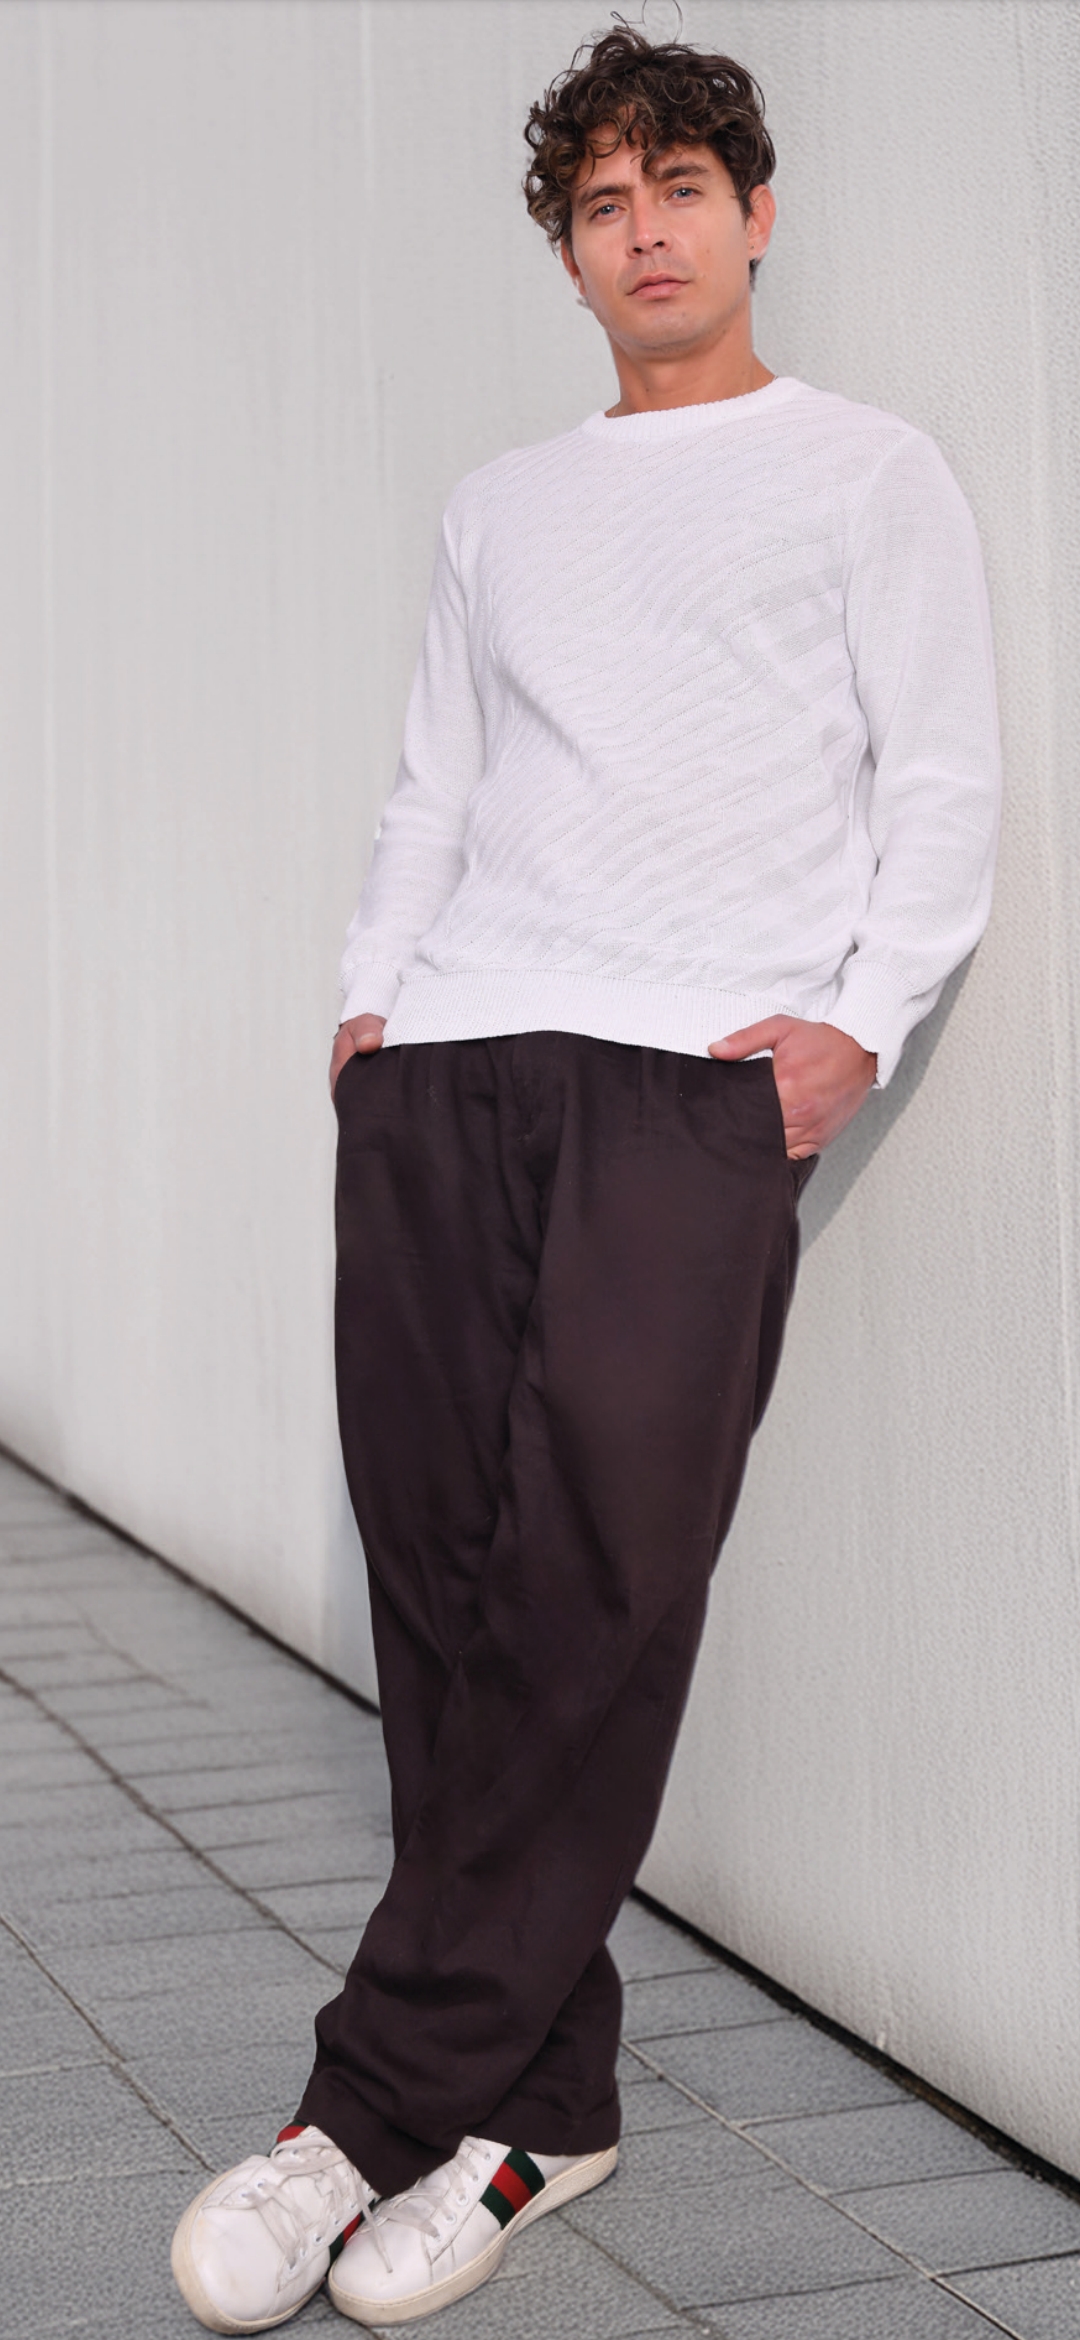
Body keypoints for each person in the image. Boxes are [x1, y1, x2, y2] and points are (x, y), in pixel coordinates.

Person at [171, 23, 1001, 2332]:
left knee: (594, 1588)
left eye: (681, 189)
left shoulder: (866, 473)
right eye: (604, 203)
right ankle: (540, 2112)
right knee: (449, 1602)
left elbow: (941, 775)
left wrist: (860, 1022)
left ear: (756, 212)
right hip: (448, 1070)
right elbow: (434, 780)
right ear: (567, 250)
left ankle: (358, 2112)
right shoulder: (503, 507)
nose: (646, 232)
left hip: (691, 1078)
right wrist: (371, 1009)